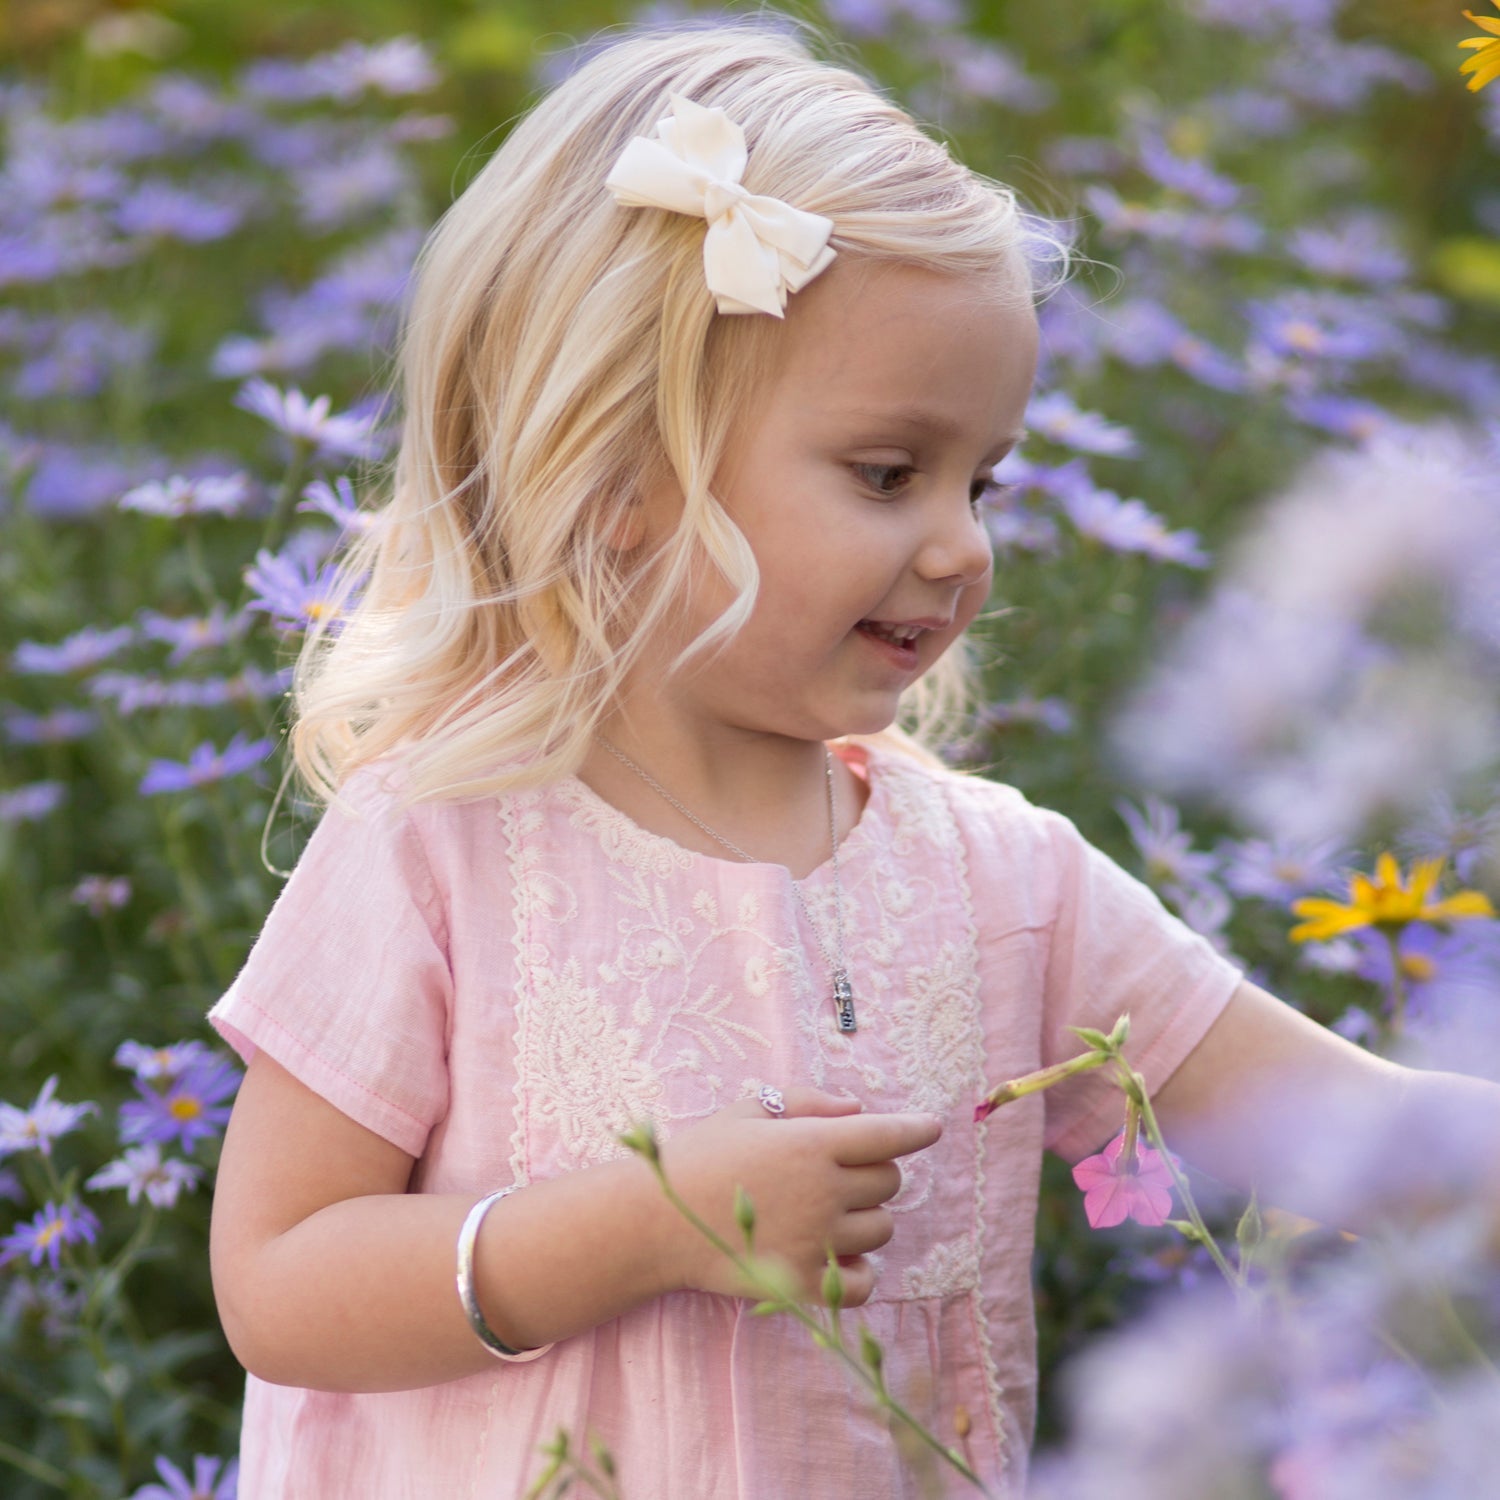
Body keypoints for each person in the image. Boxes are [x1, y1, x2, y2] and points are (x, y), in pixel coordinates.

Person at [206, 18, 1500, 1499]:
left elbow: (1350, 1132)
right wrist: (641, 1225)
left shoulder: (1006, 885)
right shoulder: (439, 848)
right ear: (625, 479)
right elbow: (279, 1281)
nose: (964, 545)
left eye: (983, 477)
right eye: (889, 474)